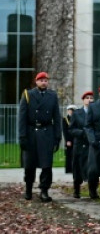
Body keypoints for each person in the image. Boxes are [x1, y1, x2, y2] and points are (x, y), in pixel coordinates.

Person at [17, 72, 62, 202]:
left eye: (46, 80)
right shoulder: (28, 95)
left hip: (46, 132)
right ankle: (29, 189)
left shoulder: (52, 96)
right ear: (36, 82)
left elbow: (57, 118)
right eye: (41, 80)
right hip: (31, 132)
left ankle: (44, 190)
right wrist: (22, 136)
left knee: (46, 165)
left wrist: (57, 137)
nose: (44, 82)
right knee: (29, 164)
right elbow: (22, 118)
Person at [69, 91, 95, 198]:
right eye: (87, 98)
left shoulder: (96, 112)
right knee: (78, 167)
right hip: (80, 144)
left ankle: (93, 191)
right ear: (83, 100)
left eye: (91, 98)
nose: (89, 100)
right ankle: (76, 189)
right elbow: (71, 129)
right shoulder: (77, 113)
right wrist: (82, 133)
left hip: (91, 144)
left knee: (92, 168)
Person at [64, 106, 75, 175]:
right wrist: (67, 140)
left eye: (72, 110)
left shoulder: (75, 118)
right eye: (69, 110)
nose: (71, 111)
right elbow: (65, 131)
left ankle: (74, 168)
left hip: (75, 138)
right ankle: (68, 169)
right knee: (68, 154)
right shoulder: (65, 119)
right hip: (69, 139)